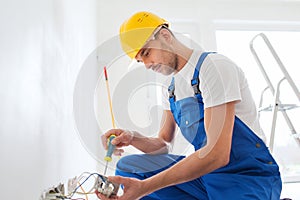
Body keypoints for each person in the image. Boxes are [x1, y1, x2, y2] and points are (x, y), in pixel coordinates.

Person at [96, 11, 282, 200]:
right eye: (140, 60)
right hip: (207, 177)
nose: (146, 65)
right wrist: (132, 137)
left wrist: (144, 187)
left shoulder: (213, 68)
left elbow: (217, 154)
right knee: (128, 166)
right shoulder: (171, 89)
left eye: (146, 53)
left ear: (165, 36)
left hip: (246, 177)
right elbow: (163, 144)